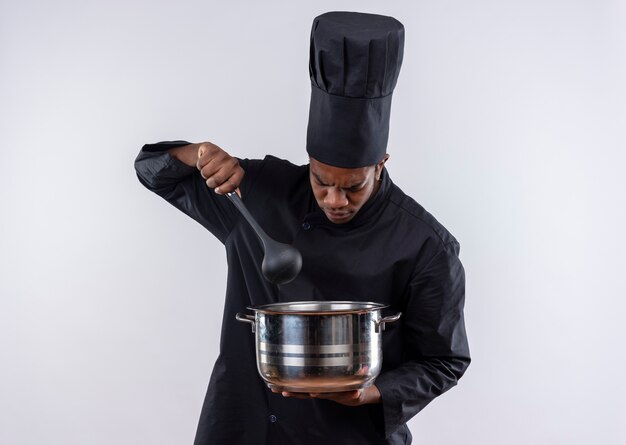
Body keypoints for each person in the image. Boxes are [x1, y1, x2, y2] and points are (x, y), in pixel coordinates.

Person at [135, 11, 470, 445]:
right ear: (309, 161)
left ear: (380, 165)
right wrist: (196, 153)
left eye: (353, 188)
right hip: (240, 426)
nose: (334, 200)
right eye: (321, 181)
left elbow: (444, 360)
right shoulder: (257, 192)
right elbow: (151, 170)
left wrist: (372, 392)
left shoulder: (425, 245)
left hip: (346, 435)